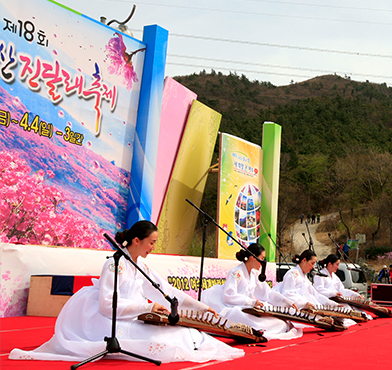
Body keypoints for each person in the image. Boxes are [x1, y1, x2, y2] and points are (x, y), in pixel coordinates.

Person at [9, 221, 244, 363]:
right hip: (105, 319)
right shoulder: (115, 264)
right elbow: (106, 305)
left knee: (185, 333)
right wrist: (146, 307)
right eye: (151, 243)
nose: (153, 248)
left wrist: (201, 307)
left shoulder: (141, 265)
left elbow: (166, 291)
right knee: (164, 338)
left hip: (132, 314)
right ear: (136, 240)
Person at [201, 243, 302, 341]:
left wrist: (287, 302)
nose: (263, 263)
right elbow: (229, 296)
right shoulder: (236, 272)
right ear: (253, 257)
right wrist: (252, 302)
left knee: (280, 323)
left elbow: (267, 293)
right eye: (262, 259)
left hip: (246, 308)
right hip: (232, 308)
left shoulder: (253, 274)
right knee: (258, 324)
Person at [273, 250, 356, 328]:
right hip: (294, 305)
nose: (312, 267)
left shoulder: (304, 277)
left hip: (306, 305)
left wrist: (332, 304)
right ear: (304, 260)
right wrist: (304, 303)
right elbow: (288, 293)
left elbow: (315, 294)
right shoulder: (292, 273)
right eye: (312, 263)